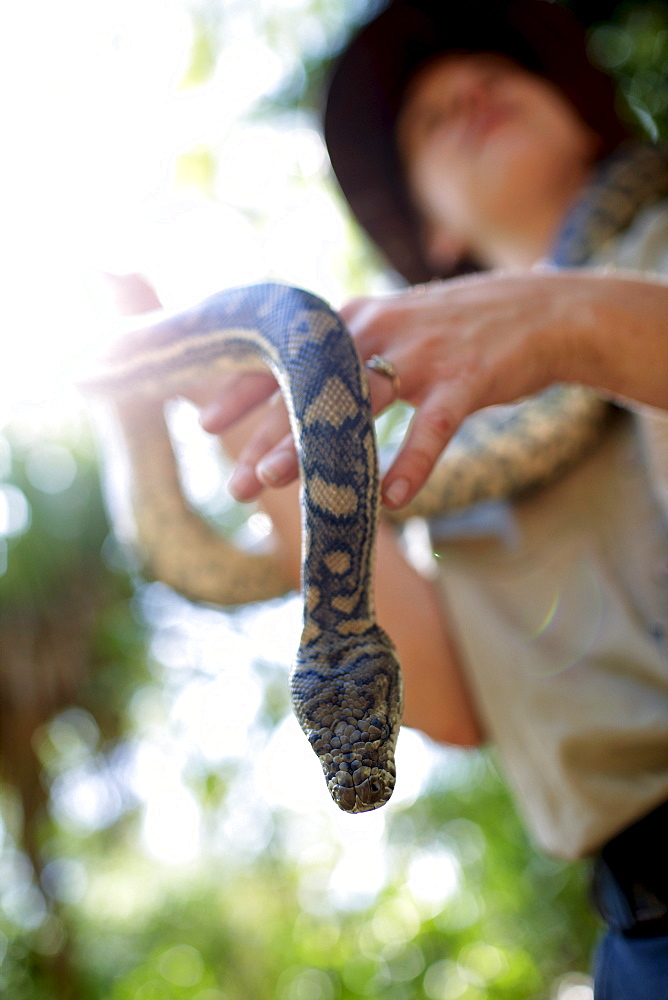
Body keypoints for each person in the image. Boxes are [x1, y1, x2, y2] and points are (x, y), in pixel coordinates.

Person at [115, 2, 668, 996]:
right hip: (643, 930)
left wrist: (564, 313)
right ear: (434, 225)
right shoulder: (428, 438)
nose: (463, 95)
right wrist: (246, 422)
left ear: (584, 122)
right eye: (425, 119)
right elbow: (461, 702)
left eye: (496, 72)